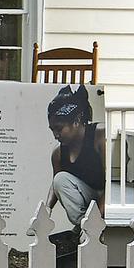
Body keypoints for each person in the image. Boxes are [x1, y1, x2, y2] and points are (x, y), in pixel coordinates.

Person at [46, 85, 105, 248]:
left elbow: (111, 185)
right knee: (60, 179)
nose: (55, 135)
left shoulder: (99, 136)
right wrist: (46, 209)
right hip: (86, 202)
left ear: (77, 120)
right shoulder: (58, 153)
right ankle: (81, 226)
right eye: (52, 130)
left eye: (59, 129)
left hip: (105, 200)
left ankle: (88, 226)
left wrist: (96, 220)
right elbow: (56, 184)